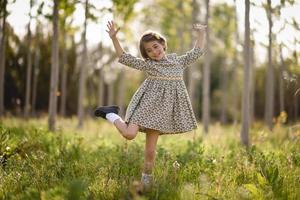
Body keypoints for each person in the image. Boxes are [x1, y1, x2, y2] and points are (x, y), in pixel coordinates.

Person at [95, 20, 206, 190]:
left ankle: (146, 184)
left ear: (163, 44)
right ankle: (110, 114)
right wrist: (114, 39)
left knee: (150, 151)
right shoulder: (150, 65)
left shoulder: (178, 62)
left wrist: (201, 34)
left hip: (161, 114)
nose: (154, 51)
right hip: (145, 107)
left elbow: (196, 52)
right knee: (129, 134)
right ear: (146, 55)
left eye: (155, 46)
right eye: (149, 50)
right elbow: (124, 58)